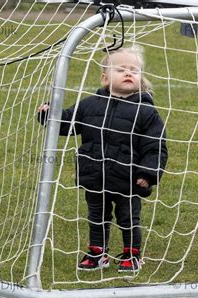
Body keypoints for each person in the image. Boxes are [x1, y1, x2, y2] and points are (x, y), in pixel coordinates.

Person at [38, 46, 168, 273]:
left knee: (128, 217)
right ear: (105, 77)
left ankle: (132, 254)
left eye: (134, 70)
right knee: (97, 216)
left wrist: (148, 173)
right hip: (95, 175)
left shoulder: (146, 112)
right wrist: (50, 114)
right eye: (121, 69)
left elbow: (155, 146)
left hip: (128, 179)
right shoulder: (89, 105)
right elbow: (68, 124)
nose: (128, 73)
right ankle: (97, 253)